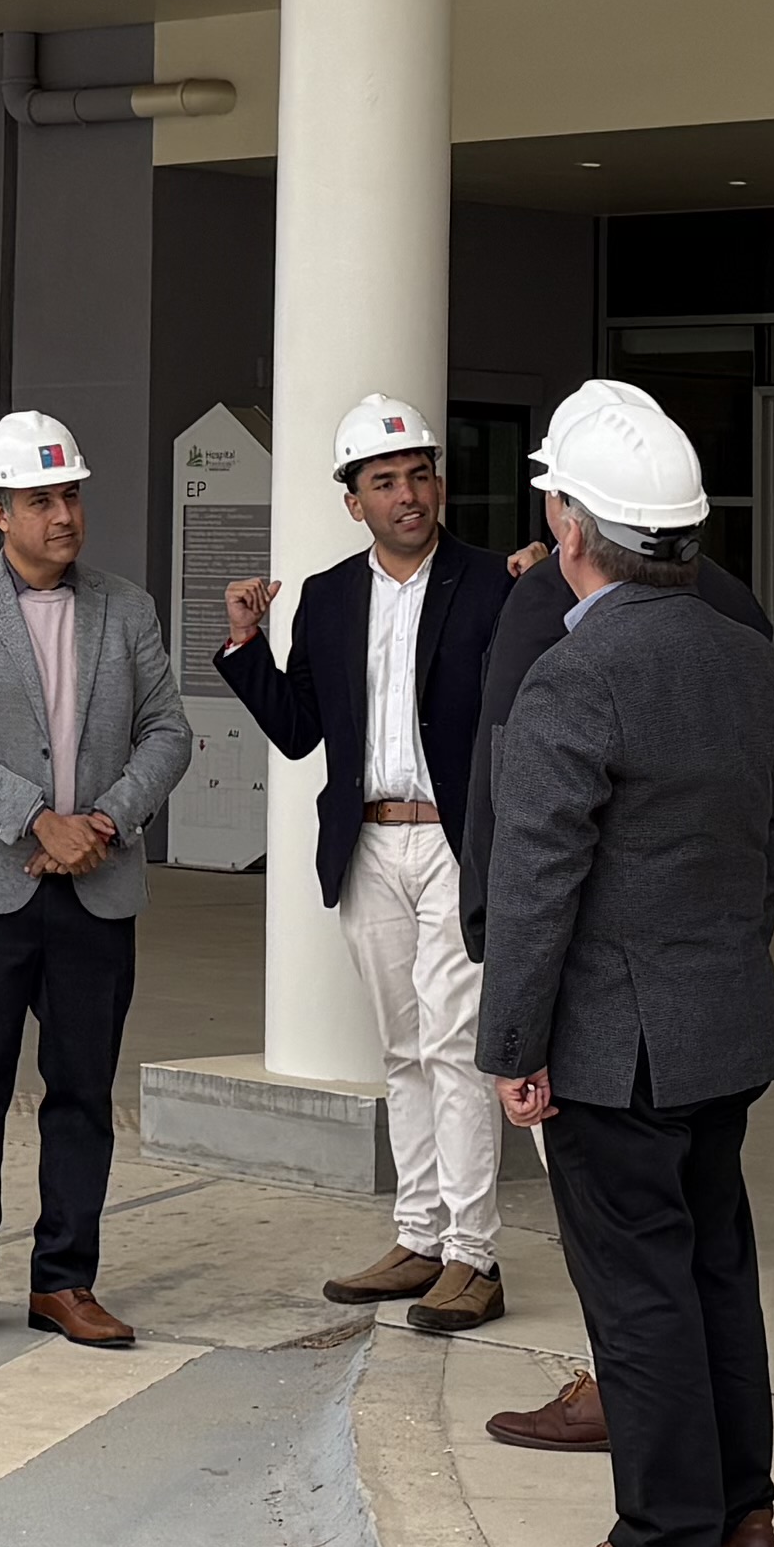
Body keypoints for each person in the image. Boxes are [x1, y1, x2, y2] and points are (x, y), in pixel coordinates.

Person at [476, 377, 774, 1547]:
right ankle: (743, 1520)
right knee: (716, 1270)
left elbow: (535, 880)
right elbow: (771, 844)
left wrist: (513, 1045)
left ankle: (666, 1544)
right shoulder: (746, 660)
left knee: (640, 1290)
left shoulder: (578, 674)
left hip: (616, 1045)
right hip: (725, 1025)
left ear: (570, 527)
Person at [211, 392, 504, 1333]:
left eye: (419, 475)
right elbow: (302, 731)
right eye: (384, 482)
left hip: (456, 840)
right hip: (368, 842)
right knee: (402, 1048)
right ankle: (419, 1236)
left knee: (455, 1045)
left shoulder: (495, 583)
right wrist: (247, 647)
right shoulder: (330, 597)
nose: (406, 494)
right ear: (354, 501)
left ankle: (474, 1253)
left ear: (439, 484)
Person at [0, 408, 191, 1350]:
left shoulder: (126, 608)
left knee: (82, 1092)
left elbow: (168, 731)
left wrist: (101, 822)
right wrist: (37, 818)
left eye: (71, 496)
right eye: (41, 500)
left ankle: (65, 1281)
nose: (64, 515)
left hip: (96, 888)